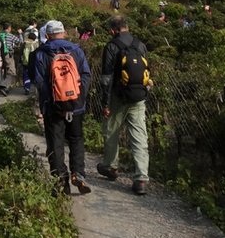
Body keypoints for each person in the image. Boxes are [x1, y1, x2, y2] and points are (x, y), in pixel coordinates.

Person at [28, 20, 92, 195]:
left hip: (53, 108)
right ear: (63, 33)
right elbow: (86, 75)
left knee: (55, 144)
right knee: (76, 139)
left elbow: (39, 81)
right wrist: (78, 98)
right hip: (76, 106)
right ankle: (78, 173)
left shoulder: (41, 53)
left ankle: (61, 181)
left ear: (48, 35)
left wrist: (51, 101)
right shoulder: (77, 50)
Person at [97, 15, 152, 195]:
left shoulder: (111, 46)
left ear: (113, 30)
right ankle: (141, 178)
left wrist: (105, 103)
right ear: (127, 27)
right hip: (138, 98)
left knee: (111, 131)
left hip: (118, 97)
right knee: (139, 136)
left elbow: (106, 78)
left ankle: (111, 167)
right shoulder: (140, 44)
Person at [21, 25, 40, 94]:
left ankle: (27, 88)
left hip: (25, 62)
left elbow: (21, 53)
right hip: (33, 62)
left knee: (26, 75)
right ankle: (36, 90)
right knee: (35, 74)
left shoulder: (24, 44)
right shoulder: (36, 44)